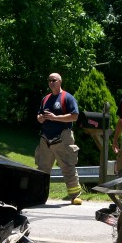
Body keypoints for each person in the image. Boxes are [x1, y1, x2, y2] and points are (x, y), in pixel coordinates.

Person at [35, 73, 82, 205]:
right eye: (49, 80)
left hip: (62, 138)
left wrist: (55, 117)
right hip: (45, 138)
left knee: (68, 167)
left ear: (60, 81)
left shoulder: (68, 97)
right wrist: (40, 118)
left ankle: (75, 196)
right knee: (42, 169)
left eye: (54, 80)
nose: (51, 82)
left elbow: (74, 116)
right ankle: (40, 196)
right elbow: (39, 115)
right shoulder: (45, 98)